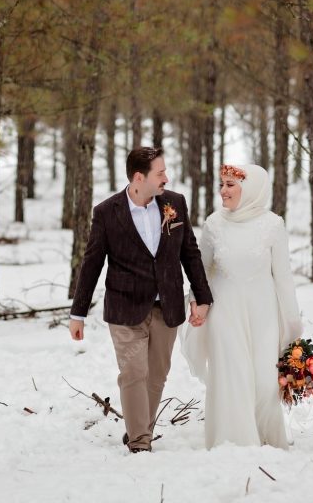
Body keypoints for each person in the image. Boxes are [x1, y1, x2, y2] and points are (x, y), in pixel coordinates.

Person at [69, 147, 213, 453]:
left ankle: (138, 427)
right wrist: (78, 313)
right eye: (160, 173)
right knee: (134, 372)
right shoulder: (107, 212)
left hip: (167, 305)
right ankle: (139, 442)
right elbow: (92, 262)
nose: (166, 178)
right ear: (139, 177)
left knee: (156, 376)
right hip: (124, 307)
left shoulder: (175, 203)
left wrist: (203, 297)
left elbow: (190, 252)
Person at [180, 163, 302, 449]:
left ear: (249, 190)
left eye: (230, 185)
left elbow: (283, 277)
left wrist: (293, 322)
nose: (223, 191)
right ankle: (234, 441)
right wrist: (197, 303)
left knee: (263, 378)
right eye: (221, 184)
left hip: (263, 312)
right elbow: (202, 272)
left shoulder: (273, 224)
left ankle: (265, 435)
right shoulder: (213, 224)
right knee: (232, 373)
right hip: (224, 310)